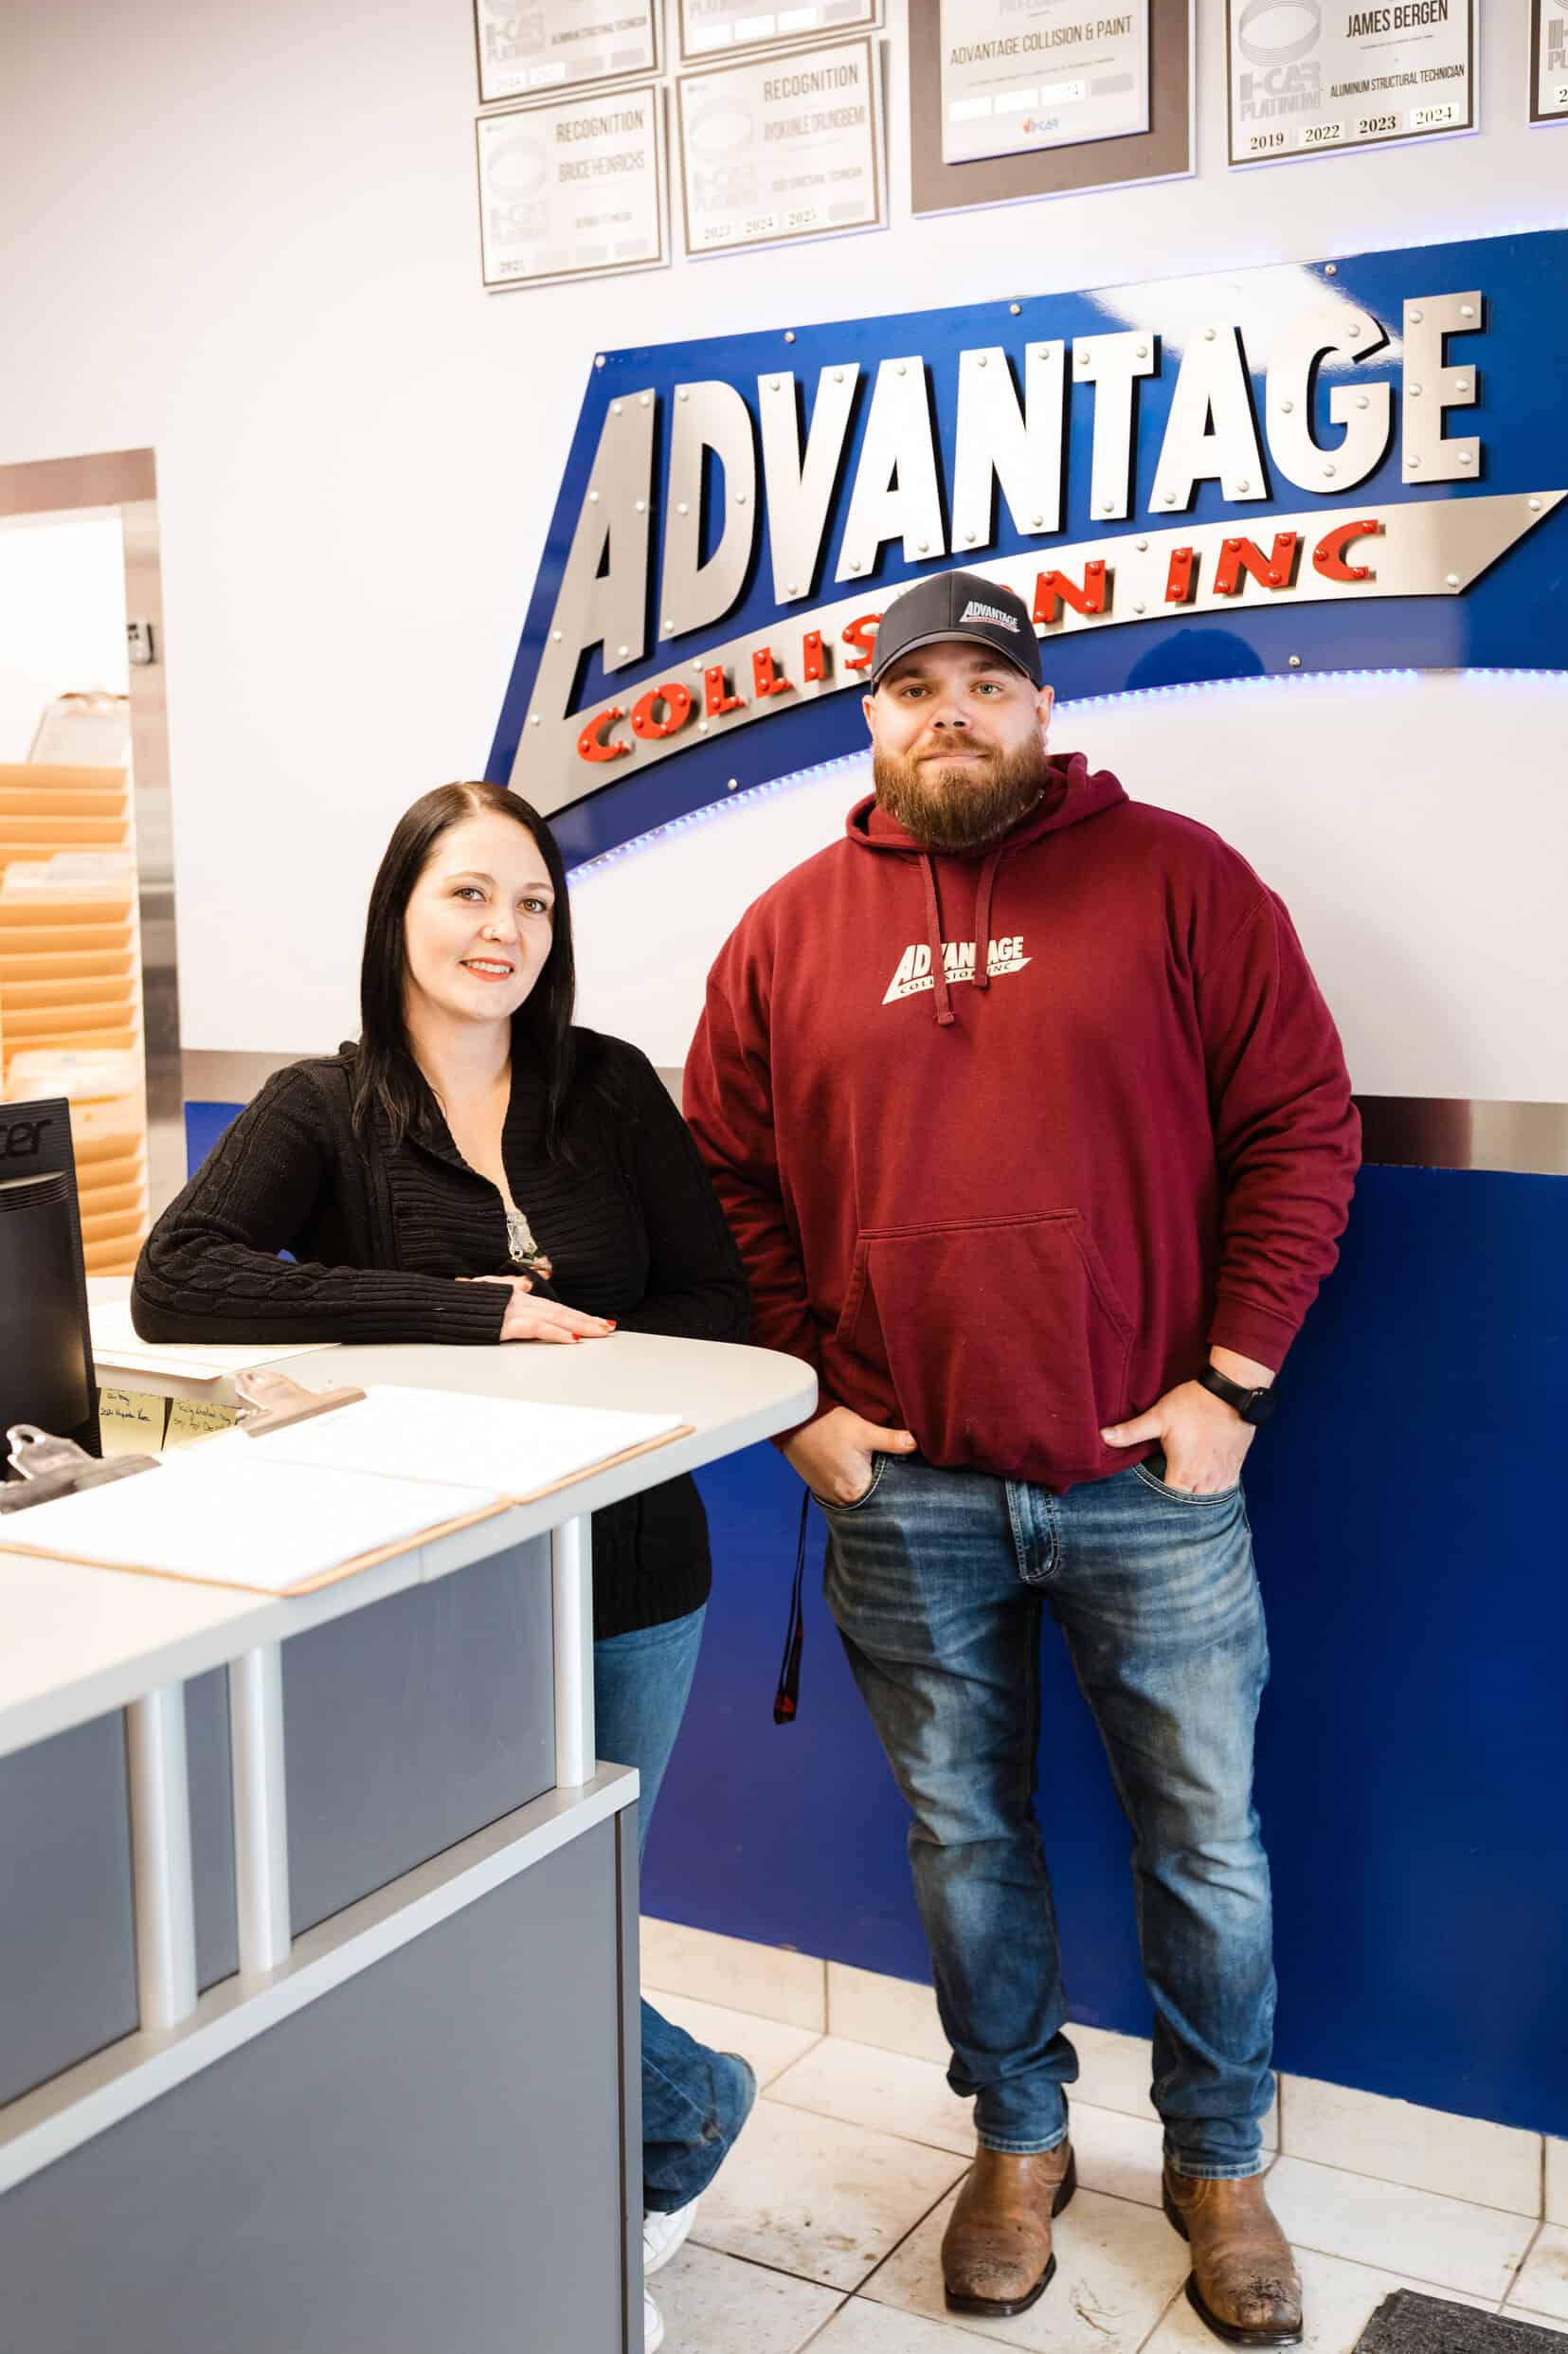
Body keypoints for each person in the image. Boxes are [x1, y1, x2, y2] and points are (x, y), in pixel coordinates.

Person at [684, 572, 1360, 2347]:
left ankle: (1219, 2163)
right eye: (920, 689)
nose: (954, 714)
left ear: (1043, 708)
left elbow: (1303, 1123)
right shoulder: (781, 933)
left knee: (1204, 1842)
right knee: (964, 1838)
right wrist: (801, 1404)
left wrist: (1233, 1384)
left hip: (1149, 1487)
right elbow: (719, 1192)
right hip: (902, 1496)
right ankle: (1020, 2136)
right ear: (872, 719)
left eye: (990, 682)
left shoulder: (1182, 881)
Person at [133, 779, 754, 2354]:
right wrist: (470, 1309)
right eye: (469, 896)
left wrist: (592, 1354)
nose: (504, 932)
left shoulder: (607, 1092)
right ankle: (680, 2110)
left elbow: (718, 1310)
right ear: (400, 912)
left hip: (624, 1574)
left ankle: (598, 2184)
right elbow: (177, 1283)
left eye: (533, 904)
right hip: (429, 1587)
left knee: (565, 1905)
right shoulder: (322, 1107)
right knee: (466, 1910)